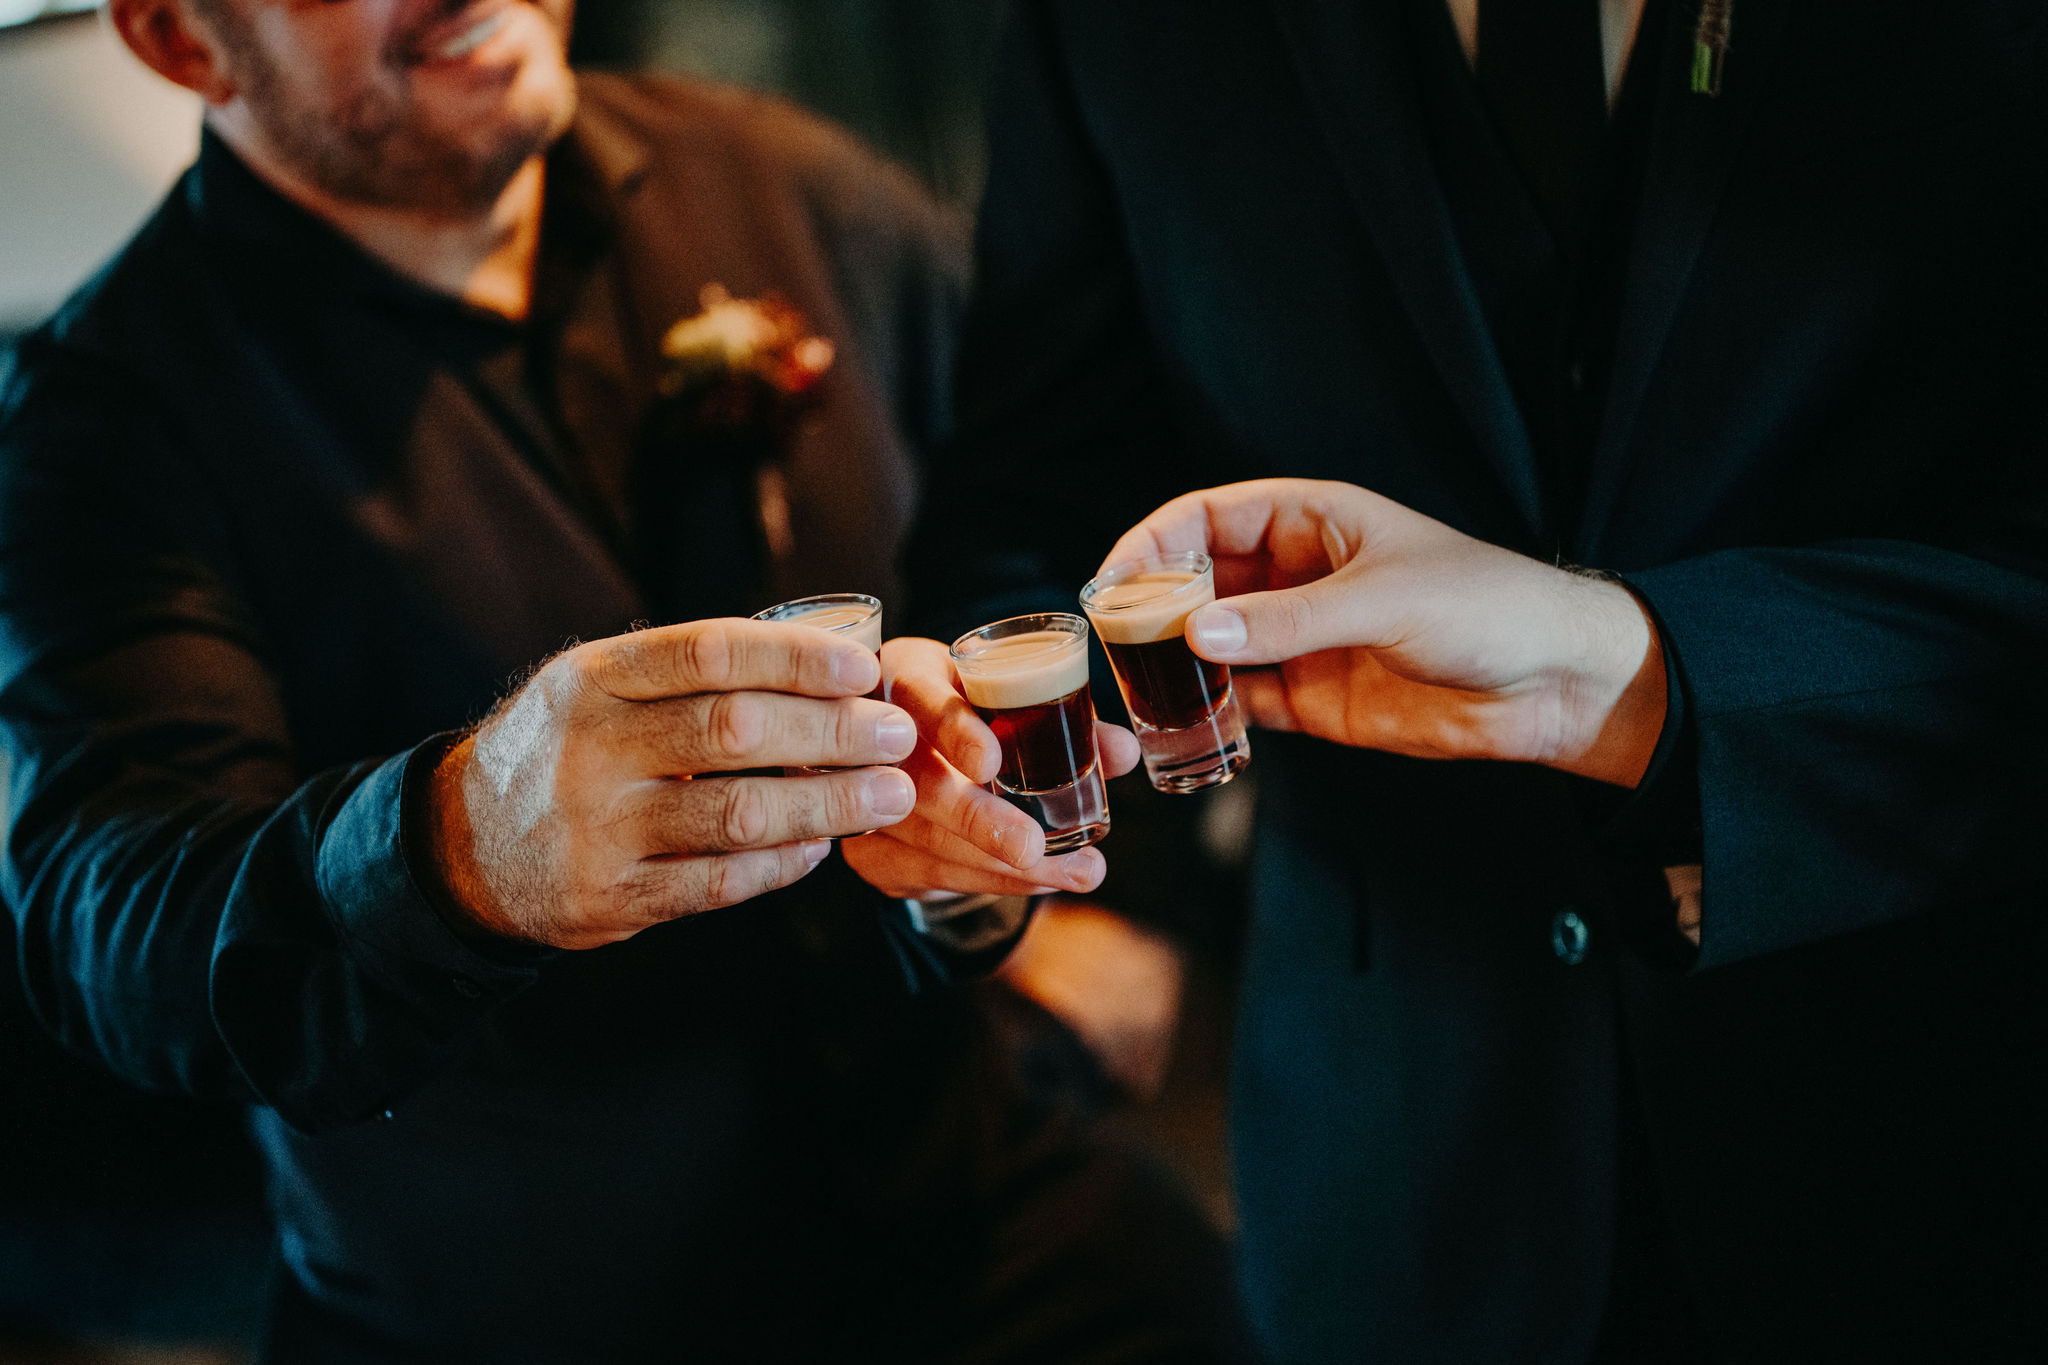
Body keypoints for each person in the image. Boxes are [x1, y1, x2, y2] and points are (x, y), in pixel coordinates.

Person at [0, 1, 1249, 1360]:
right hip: (527, 1306)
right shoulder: (103, 422)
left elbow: (1068, 514)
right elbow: (111, 914)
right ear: (182, 39)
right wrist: (463, 843)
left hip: (967, 1186)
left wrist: (1128, 897)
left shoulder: (781, 181)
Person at [899, 0, 2048, 1360]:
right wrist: (990, 812)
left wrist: (1621, 673)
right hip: (1391, 1185)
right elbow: (1025, 519)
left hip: (1955, 1134)